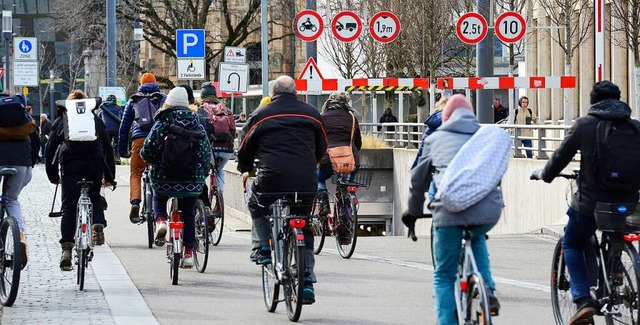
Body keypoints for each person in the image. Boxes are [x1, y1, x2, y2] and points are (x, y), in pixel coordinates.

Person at [530, 81, 640, 325]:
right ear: (619, 99)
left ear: (593, 101)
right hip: (629, 202)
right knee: (616, 229)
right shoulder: (635, 127)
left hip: (591, 202)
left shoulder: (585, 125)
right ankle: (617, 269)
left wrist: (543, 174)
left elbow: (559, 159)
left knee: (572, 241)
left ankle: (582, 301)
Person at [405, 94, 501, 325]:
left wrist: (413, 211)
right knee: (476, 237)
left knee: (443, 276)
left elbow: (418, 181)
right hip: (487, 211)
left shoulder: (435, 139)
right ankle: (487, 288)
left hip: (448, 212)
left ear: (446, 116)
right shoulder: (484, 136)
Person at [237, 75, 327, 305]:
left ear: (273, 93)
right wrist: (311, 164)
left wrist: (245, 167)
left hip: (271, 179)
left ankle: (262, 248)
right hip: (305, 181)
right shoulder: (312, 114)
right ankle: (306, 281)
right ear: (296, 92)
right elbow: (322, 147)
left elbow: (245, 145)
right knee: (303, 222)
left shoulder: (262, 114)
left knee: (255, 202)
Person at [140, 87, 211, 268]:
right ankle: (188, 254)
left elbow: (148, 148)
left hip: (164, 177)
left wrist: (153, 162)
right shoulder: (197, 122)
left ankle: (162, 221)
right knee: (188, 213)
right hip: (191, 180)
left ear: (168, 102)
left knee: (159, 198)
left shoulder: (163, 121)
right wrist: (202, 173)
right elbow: (204, 152)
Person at [45, 90, 116, 271]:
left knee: (69, 207)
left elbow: (50, 148)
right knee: (94, 195)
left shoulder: (63, 119)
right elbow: (107, 147)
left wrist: (53, 176)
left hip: (70, 163)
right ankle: (98, 224)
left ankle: (67, 250)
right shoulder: (94, 120)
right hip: (95, 161)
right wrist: (109, 176)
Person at [118, 72, 166, 223]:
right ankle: (160, 210)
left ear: (141, 84)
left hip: (139, 140)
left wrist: (122, 151)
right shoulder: (163, 98)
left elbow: (124, 128)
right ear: (155, 83)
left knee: (136, 173)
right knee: (160, 171)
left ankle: (135, 202)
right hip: (159, 140)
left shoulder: (133, 100)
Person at [316, 92, 362, 244]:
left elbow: (318, 141)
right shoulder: (352, 118)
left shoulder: (322, 118)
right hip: (350, 160)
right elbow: (358, 143)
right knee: (345, 188)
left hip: (329, 159)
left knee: (318, 178)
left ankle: (323, 202)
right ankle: (344, 230)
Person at [0, 94, 39, 268]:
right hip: (20, 163)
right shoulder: (24, 118)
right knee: (12, 199)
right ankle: (20, 237)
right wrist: (29, 164)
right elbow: (36, 141)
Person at [196, 82, 236, 225]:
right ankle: (219, 200)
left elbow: (200, 132)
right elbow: (233, 131)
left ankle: (203, 207)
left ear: (203, 96)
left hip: (210, 149)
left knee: (200, 175)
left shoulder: (201, 110)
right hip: (226, 150)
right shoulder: (226, 109)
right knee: (219, 172)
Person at [99, 95, 123, 165]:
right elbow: (122, 117)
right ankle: (117, 157)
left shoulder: (103, 108)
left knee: (106, 143)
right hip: (116, 129)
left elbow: (99, 118)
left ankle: (105, 158)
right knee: (117, 143)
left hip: (106, 129)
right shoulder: (118, 108)